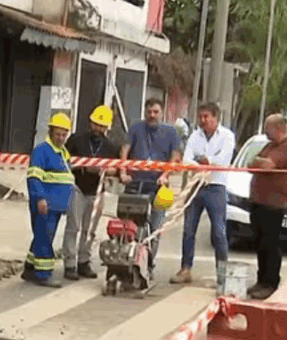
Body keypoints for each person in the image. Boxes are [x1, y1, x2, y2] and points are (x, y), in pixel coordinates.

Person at [170, 102, 235, 285]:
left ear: (216, 117)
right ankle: (185, 268)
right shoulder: (194, 136)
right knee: (188, 229)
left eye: (207, 116)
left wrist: (207, 160)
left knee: (219, 232)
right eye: (200, 117)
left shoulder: (227, 136)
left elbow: (223, 161)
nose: (203, 120)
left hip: (216, 187)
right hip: (196, 185)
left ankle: (222, 273)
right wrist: (203, 163)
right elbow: (187, 160)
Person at [120, 98, 182, 279]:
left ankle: (149, 265)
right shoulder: (136, 128)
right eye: (149, 112)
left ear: (161, 113)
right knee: (129, 226)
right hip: (135, 185)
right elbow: (124, 151)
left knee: (155, 228)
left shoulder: (171, 132)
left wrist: (165, 175)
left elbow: (175, 157)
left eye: (155, 112)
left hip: (158, 188)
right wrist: (123, 172)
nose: (152, 115)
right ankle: (126, 261)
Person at [62, 105, 119, 281]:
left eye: (101, 126)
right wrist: (82, 167)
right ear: (90, 122)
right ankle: (69, 264)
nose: (97, 129)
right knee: (73, 227)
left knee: (90, 230)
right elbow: (64, 161)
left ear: (107, 127)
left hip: (97, 192)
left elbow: (116, 169)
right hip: (77, 187)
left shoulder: (111, 147)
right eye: (95, 124)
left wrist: (103, 170)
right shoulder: (76, 140)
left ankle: (83, 262)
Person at [23, 113, 75, 288]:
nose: (61, 138)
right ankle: (44, 274)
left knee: (41, 235)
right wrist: (40, 198)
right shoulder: (42, 151)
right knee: (45, 238)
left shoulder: (63, 152)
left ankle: (30, 268)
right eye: (58, 134)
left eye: (64, 134)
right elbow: (34, 178)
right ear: (51, 132)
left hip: (55, 205)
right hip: (45, 204)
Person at [246, 114, 287, 299]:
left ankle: (270, 282)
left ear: (278, 128)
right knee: (259, 242)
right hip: (258, 201)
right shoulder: (269, 146)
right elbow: (250, 164)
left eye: (267, 127)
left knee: (270, 243)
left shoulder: (284, 146)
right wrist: (258, 162)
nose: (264, 131)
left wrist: (259, 162)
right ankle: (261, 279)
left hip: (273, 203)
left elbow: (268, 165)